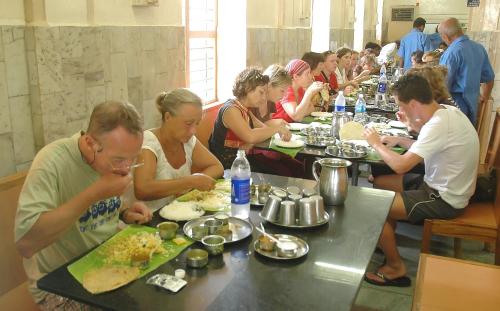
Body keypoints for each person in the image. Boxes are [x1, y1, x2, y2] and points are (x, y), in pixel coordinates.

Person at [15, 101, 153, 310]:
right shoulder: (52, 161)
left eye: (133, 159)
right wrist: (95, 193)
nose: (126, 168)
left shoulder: (112, 160)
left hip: (108, 263)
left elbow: (104, 207)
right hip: (60, 283)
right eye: (119, 160)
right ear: (89, 143)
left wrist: (124, 212)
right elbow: (26, 244)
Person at [363, 74, 479, 287]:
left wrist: (375, 144)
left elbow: (401, 166)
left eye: (401, 105)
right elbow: (425, 145)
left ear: (414, 104)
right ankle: (386, 237)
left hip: (443, 199)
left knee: (373, 209)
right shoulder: (447, 112)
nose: (401, 110)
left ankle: (395, 267)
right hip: (440, 185)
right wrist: (399, 139)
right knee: (380, 183)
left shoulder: (438, 124)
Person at [134, 89, 224, 212]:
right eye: (188, 123)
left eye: (197, 123)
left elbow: (217, 167)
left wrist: (195, 185)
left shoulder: (188, 140)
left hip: (182, 212)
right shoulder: (149, 143)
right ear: (168, 117)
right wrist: (190, 182)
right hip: (152, 220)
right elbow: (142, 190)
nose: (193, 131)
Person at [209, 67, 303, 178]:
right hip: (228, 166)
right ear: (248, 88)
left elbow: (263, 129)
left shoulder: (244, 109)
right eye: (261, 92)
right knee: (279, 174)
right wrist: (276, 128)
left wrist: (276, 128)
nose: (264, 98)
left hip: (241, 159)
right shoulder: (231, 109)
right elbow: (251, 136)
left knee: (294, 168)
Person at [438, 17, 495, 125]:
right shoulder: (479, 48)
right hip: (474, 108)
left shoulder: (451, 53)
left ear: (445, 37)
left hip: (455, 110)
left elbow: (442, 87)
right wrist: (484, 98)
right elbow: (490, 79)